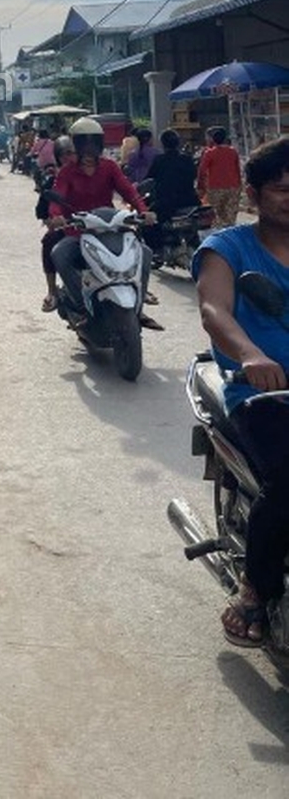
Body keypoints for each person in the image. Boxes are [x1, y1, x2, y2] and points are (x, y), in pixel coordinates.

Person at [193, 136, 289, 646]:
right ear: (252, 195)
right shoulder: (227, 247)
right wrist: (250, 354)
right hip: (263, 394)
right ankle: (256, 588)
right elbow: (215, 310)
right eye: (280, 188)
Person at [48, 116, 159, 324]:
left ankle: (138, 306)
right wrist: (57, 217)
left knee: (144, 253)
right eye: (84, 142)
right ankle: (81, 306)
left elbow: (128, 191)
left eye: (93, 141)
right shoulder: (66, 172)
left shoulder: (109, 167)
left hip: (111, 229)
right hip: (79, 232)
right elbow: (57, 197)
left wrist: (144, 210)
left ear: (100, 143)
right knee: (59, 254)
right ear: (76, 144)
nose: (89, 147)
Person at [40, 136, 76, 311]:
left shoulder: (91, 172)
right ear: (59, 157)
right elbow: (43, 210)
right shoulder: (53, 180)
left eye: (74, 153)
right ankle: (52, 291)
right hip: (69, 228)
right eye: (66, 154)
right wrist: (54, 220)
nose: (71, 157)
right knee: (49, 242)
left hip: (95, 227)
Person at [196, 126, 243, 229]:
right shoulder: (233, 151)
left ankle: (219, 236)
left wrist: (200, 186)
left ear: (213, 140)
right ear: (225, 139)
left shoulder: (210, 153)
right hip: (233, 187)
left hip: (215, 188)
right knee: (230, 215)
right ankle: (229, 234)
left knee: (215, 215)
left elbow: (202, 171)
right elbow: (237, 169)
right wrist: (240, 184)